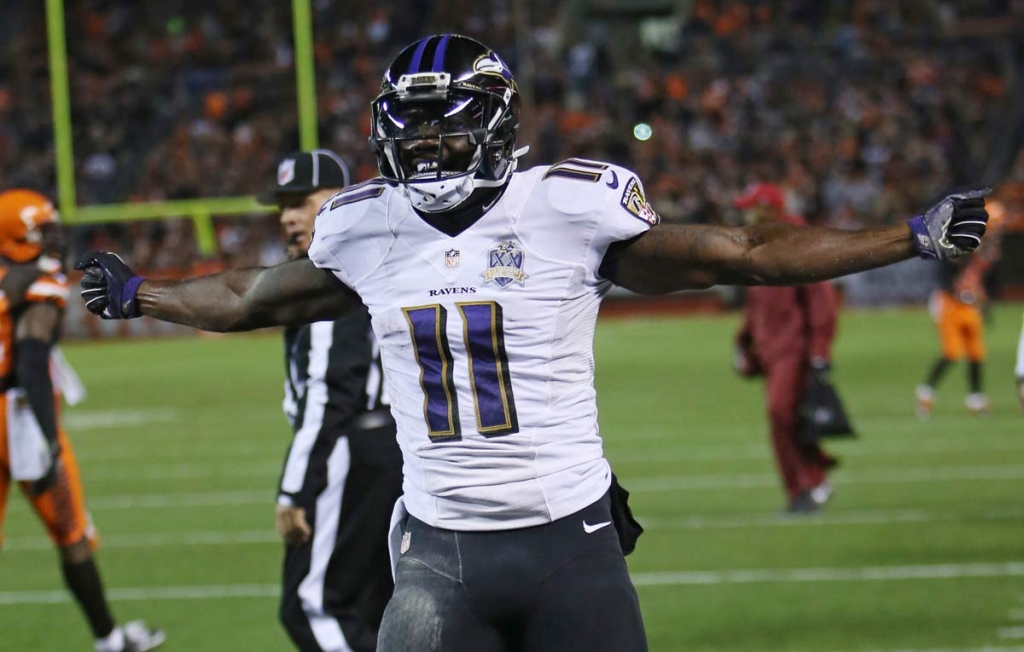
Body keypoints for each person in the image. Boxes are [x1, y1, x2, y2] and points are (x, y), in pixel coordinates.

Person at [75, 35, 990, 652]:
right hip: (437, 548)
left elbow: (742, 251)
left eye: (447, 128)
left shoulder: (564, 208)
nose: (428, 149)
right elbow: (248, 295)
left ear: (496, 126)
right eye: (412, 130)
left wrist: (903, 236)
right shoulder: (363, 229)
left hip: (571, 542)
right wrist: (139, 293)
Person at [0, 189, 165, 652]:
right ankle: (110, 641)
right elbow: (32, 361)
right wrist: (49, 438)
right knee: (71, 533)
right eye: (41, 229)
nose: (54, 235)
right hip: (19, 418)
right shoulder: (39, 281)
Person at [260, 151, 403, 652]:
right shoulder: (377, 259)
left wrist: (295, 488)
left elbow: (328, 390)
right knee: (378, 607)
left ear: (339, 202)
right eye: (282, 206)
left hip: (352, 448)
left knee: (313, 605)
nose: (288, 217)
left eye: (302, 202)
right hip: (391, 447)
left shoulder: (331, 271)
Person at [731, 183, 839, 514]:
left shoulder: (797, 243)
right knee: (785, 417)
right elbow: (756, 305)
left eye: (752, 209)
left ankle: (808, 484)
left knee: (782, 414)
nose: (746, 215)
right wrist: (745, 344)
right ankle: (807, 483)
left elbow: (820, 301)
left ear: (768, 211)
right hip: (771, 349)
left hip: (793, 348)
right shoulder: (760, 245)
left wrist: (819, 351)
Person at [915, 198, 1004, 419]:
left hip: (968, 304)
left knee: (976, 353)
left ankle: (976, 400)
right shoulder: (964, 238)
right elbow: (951, 267)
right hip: (950, 302)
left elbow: (978, 278)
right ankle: (925, 393)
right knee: (952, 353)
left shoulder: (989, 248)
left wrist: (983, 304)